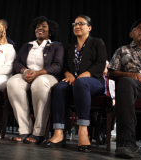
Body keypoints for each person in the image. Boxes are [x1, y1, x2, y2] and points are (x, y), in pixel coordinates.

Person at [43, 15, 107, 152]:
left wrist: (84, 76)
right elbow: (63, 66)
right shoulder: (69, 47)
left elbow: (100, 64)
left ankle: (83, 130)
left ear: (89, 27)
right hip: (73, 81)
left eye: (81, 24)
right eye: (75, 24)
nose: (77, 26)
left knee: (81, 83)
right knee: (59, 88)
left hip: (94, 82)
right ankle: (58, 132)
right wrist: (68, 74)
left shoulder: (97, 42)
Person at [7, 16, 64, 144]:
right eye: (38, 27)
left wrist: (38, 73)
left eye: (44, 26)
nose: (40, 28)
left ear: (50, 31)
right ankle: (24, 129)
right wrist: (25, 71)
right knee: (13, 83)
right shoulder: (27, 45)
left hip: (47, 76)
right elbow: (16, 63)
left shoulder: (56, 46)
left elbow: (57, 66)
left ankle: (39, 132)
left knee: (39, 83)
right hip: (27, 75)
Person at [108, 17, 141, 159]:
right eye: (139, 27)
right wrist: (129, 74)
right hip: (135, 86)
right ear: (131, 34)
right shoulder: (122, 50)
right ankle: (126, 143)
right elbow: (111, 72)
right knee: (125, 82)